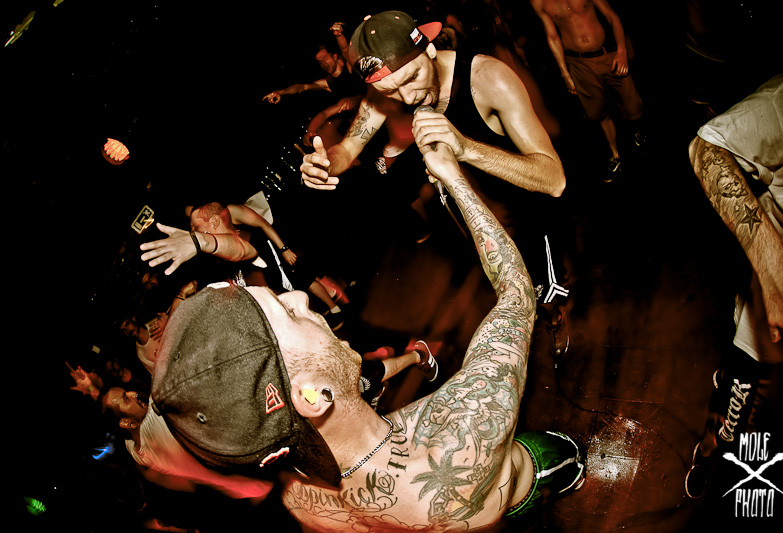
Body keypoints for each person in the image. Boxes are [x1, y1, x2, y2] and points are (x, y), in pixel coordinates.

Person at [150, 130, 585, 530]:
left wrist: (205, 243)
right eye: (288, 312)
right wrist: (454, 178)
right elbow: (516, 294)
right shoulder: (462, 437)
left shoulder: (298, 495)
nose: (298, 297)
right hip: (521, 480)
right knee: (555, 460)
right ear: (311, 396)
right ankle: (566, 471)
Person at [301, 10, 571, 357]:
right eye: (390, 90)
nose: (407, 97)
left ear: (428, 49)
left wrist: (466, 149)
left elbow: (554, 179)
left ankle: (555, 318)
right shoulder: (387, 91)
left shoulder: (488, 78)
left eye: (413, 78)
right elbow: (349, 147)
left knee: (541, 293)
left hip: (523, 220)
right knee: (507, 293)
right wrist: (325, 163)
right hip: (471, 224)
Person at [684, 69, 783, 498]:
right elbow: (706, 148)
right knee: (744, 401)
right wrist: (776, 270)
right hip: (781, 293)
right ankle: (713, 454)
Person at [531, 0, 645, 181]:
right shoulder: (539, 2)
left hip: (607, 54)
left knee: (632, 105)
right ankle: (615, 155)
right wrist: (565, 73)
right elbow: (552, 36)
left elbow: (611, 16)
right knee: (598, 112)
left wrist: (621, 51)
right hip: (578, 63)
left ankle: (637, 132)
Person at [189, 202, 346, 330]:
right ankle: (314, 316)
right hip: (256, 264)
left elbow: (263, 224)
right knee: (282, 289)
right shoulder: (213, 246)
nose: (193, 231)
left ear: (214, 221)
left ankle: (334, 310)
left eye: (196, 226)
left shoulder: (231, 211)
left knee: (300, 277)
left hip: (269, 249)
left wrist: (283, 249)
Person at [101, 387, 274, 501]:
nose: (134, 394)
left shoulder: (136, 452)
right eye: (126, 398)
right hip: (256, 468)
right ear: (125, 423)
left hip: (244, 488)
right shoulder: (155, 422)